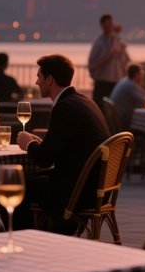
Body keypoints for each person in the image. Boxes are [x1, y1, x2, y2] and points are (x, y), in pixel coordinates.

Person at [17, 54, 110, 233]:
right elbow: (66, 147)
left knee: (15, 184)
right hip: (97, 187)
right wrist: (42, 144)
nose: (37, 82)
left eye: (39, 77)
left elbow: (44, 159)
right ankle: (46, 233)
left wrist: (28, 144)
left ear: (49, 79)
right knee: (27, 177)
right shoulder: (84, 101)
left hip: (78, 192)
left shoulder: (65, 107)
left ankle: (27, 238)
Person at [87, 13, 129, 104]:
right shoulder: (99, 42)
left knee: (114, 109)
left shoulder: (117, 39)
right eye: (108, 24)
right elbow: (92, 64)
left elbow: (126, 60)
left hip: (117, 82)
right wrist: (110, 55)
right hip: (102, 82)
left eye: (111, 23)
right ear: (102, 25)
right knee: (99, 108)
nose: (110, 26)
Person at [109, 62, 145, 127]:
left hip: (117, 116)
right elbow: (144, 101)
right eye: (141, 74)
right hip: (123, 118)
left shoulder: (125, 80)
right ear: (137, 74)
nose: (142, 76)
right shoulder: (130, 85)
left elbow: (143, 96)